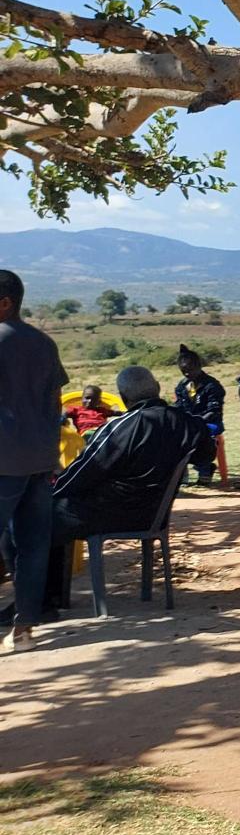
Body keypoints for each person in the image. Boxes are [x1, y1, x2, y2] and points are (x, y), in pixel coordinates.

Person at [42, 366, 208, 614]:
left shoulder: (121, 427)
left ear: (123, 397)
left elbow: (84, 472)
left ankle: (42, 602)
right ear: (158, 388)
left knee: (42, 517)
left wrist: (56, 489)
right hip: (155, 516)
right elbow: (207, 453)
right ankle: (49, 600)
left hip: (113, 513)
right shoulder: (186, 423)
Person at [0, 269, 68, 653]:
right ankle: (24, 629)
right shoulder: (44, 343)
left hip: (4, 460)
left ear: (5, 302)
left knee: (17, 543)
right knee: (30, 544)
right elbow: (54, 404)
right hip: (41, 460)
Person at [173, 346, 226, 485]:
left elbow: (214, 410)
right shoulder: (183, 386)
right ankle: (181, 476)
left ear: (198, 366)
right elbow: (179, 406)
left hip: (210, 422)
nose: (187, 374)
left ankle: (204, 469)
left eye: (189, 370)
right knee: (173, 436)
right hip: (190, 423)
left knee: (199, 435)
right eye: (183, 371)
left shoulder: (212, 385)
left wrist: (197, 422)